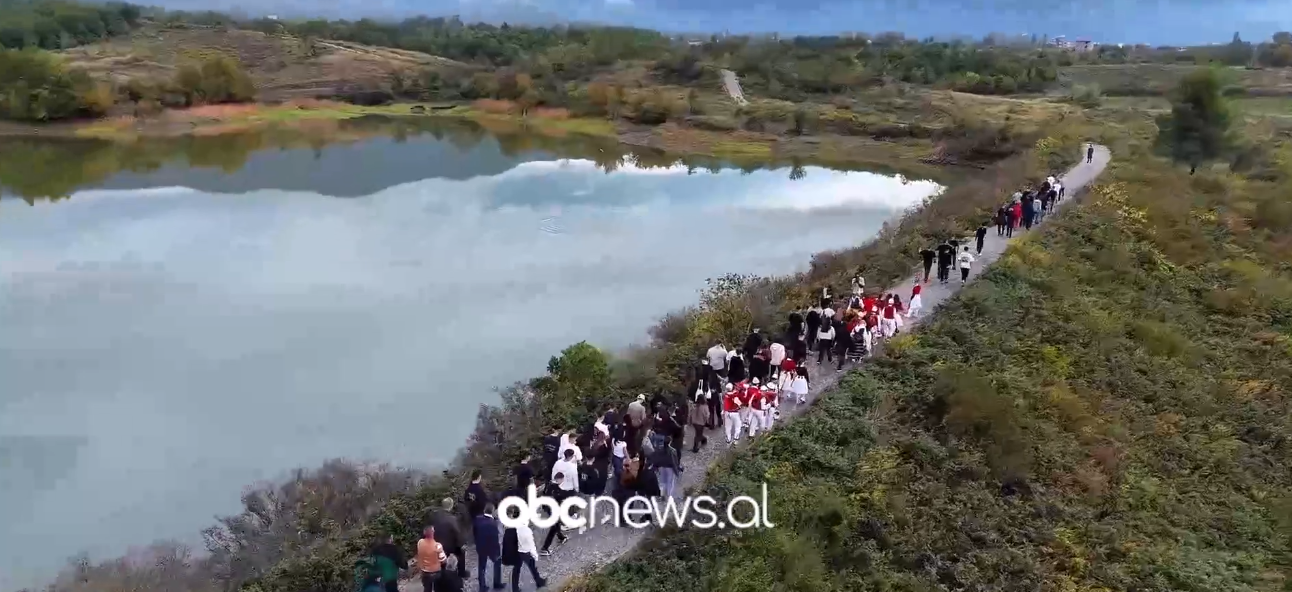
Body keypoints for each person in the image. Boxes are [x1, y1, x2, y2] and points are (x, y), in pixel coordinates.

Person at [506, 506, 546, 592]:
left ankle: (515, 588)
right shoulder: (524, 529)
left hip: (516, 551)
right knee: (532, 566)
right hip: (524, 551)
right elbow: (530, 544)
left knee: (516, 570)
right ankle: (539, 582)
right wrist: (535, 555)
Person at [430, 498, 466, 579]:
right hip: (448, 546)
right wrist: (461, 544)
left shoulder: (434, 517)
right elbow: (457, 533)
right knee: (461, 552)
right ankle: (461, 573)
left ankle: (442, 574)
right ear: (451, 506)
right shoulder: (452, 519)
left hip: (436, 544)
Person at [472, 504, 503, 592]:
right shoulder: (493, 523)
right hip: (491, 548)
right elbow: (495, 538)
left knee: (481, 566)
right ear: (493, 511)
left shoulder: (477, 519)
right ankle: (497, 583)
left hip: (480, 546)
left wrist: (476, 542)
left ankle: (482, 586)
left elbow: (474, 532)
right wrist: (497, 550)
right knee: (497, 563)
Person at [416, 526, 446, 592]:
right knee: (438, 588)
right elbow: (443, 561)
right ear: (433, 532)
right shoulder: (438, 545)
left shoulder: (420, 542)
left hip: (425, 572)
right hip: (436, 573)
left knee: (427, 589)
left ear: (424, 533)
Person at [688, 387, 710, 453]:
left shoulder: (695, 406)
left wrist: (689, 421)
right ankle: (695, 447)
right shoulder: (705, 407)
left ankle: (703, 440)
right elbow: (707, 415)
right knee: (698, 435)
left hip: (694, 422)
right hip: (701, 422)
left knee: (698, 434)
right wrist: (707, 421)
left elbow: (690, 414)